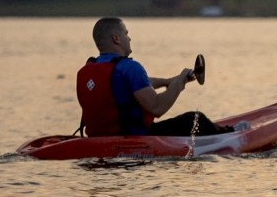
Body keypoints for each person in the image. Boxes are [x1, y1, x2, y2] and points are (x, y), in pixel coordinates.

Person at [77, 16, 231, 137]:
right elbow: (157, 108)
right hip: (134, 137)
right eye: (126, 34)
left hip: (98, 137)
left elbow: (132, 87)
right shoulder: (130, 67)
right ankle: (232, 132)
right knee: (196, 119)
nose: (129, 39)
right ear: (116, 39)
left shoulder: (86, 71)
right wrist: (179, 83)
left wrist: (169, 81)